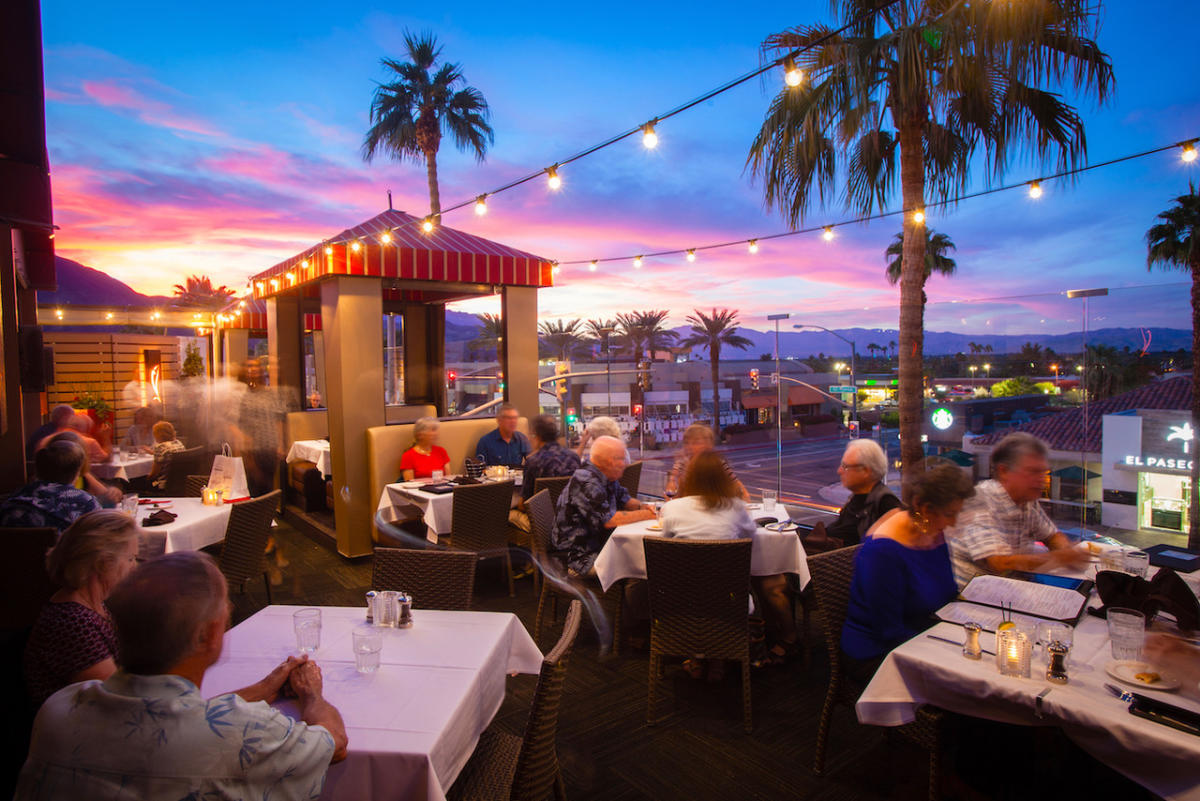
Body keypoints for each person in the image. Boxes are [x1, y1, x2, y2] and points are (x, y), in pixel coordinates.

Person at [15, 552, 348, 800]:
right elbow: (333, 745)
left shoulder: (59, 709)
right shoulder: (244, 734)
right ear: (209, 635)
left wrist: (262, 688)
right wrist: (311, 694)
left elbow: (163, 715)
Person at [841, 460, 976, 679]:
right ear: (925, 508)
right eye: (950, 514)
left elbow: (948, 594)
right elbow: (889, 631)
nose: (953, 522)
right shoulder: (883, 552)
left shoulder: (932, 530)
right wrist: (948, 652)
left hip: (925, 634)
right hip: (879, 654)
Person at [23, 510, 138, 707]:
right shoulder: (72, 622)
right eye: (130, 559)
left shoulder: (94, 604)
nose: (134, 567)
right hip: (75, 722)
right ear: (103, 563)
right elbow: (117, 698)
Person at [945, 432, 1089, 589]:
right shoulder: (980, 500)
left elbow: (1052, 535)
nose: (1042, 479)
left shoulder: (1027, 501)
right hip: (975, 592)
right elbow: (1000, 563)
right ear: (1004, 471)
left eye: (1043, 472)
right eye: (1033, 472)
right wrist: (1061, 558)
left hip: (1012, 585)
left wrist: (1066, 550)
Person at [551, 435, 656, 576]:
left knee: (643, 560)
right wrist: (648, 514)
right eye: (621, 458)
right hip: (578, 557)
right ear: (609, 461)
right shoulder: (587, 482)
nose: (625, 463)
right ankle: (622, 590)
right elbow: (610, 520)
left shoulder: (605, 475)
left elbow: (624, 499)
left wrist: (643, 507)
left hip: (598, 546)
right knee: (640, 566)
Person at [0, 439, 101, 530]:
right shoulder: (85, 502)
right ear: (76, 473)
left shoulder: (16, 497)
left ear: (38, 470)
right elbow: (100, 535)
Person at [661, 449, 756, 540]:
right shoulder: (736, 507)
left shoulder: (672, 508)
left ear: (690, 479)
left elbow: (665, 540)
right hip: (727, 552)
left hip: (682, 552)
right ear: (723, 480)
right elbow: (750, 535)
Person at [825, 439, 902, 547]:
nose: (839, 471)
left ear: (866, 471)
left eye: (845, 466)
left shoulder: (885, 504)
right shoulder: (855, 498)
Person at [664, 423, 749, 500]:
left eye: (696, 443)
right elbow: (671, 493)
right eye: (687, 443)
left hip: (715, 507)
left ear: (708, 445)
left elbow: (740, 489)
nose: (690, 446)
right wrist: (673, 479)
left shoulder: (718, 463)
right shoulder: (682, 464)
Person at [146, 420, 186, 490]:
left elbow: (154, 474)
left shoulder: (160, 447)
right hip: (180, 483)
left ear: (158, 435)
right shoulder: (179, 443)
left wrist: (146, 478)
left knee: (136, 482)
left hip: (163, 485)